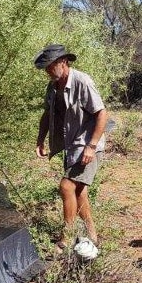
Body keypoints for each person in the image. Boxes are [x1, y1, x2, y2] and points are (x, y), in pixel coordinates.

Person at [34, 43, 108, 251]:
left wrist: (91, 146)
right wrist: (41, 140)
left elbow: (102, 114)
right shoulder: (53, 86)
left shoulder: (82, 81)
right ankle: (92, 235)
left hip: (88, 144)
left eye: (51, 66)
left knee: (66, 186)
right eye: (46, 68)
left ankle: (66, 239)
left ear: (64, 62)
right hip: (71, 144)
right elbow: (48, 114)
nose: (48, 71)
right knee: (79, 191)